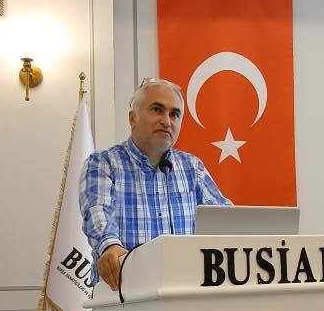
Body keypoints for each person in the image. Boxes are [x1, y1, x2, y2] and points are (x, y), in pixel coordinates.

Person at [79, 77, 230, 290]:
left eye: (174, 114)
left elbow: (225, 220)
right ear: (132, 118)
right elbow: (97, 211)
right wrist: (110, 245)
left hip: (185, 291)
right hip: (123, 294)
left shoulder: (192, 167)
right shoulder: (103, 163)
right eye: (157, 110)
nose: (167, 121)